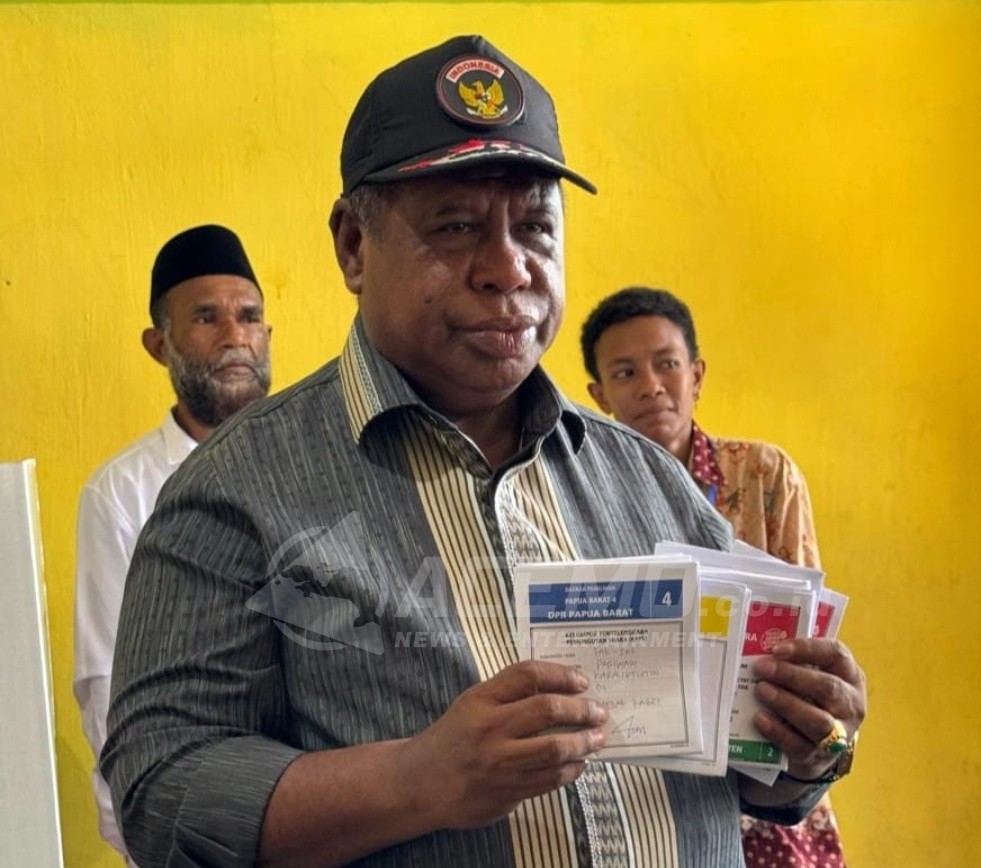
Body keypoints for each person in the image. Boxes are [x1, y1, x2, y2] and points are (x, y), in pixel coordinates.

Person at [101, 36, 866, 868]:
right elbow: (161, 795)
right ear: (353, 245)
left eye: (535, 227)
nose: (507, 268)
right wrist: (419, 780)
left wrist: (807, 744)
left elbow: (761, 774)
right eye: (456, 226)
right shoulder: (232, 492)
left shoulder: (649, 482)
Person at [581, 286, 847, 866]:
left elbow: (808, 630)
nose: (651, 385)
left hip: (768, 772)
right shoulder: (586, 499)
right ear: (599, 396)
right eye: (625, 373)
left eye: (667, 364)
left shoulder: (763, 474)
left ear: (696, 374)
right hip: (656, 792)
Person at [74, 224, 272, 864]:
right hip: (193, 832)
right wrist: (147, 838)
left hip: (327, 819)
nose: (235, 336)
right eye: (206, 318)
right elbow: (108, 690)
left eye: (249, 317)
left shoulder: (318, 470)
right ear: (159, 345)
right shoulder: (122, 493)